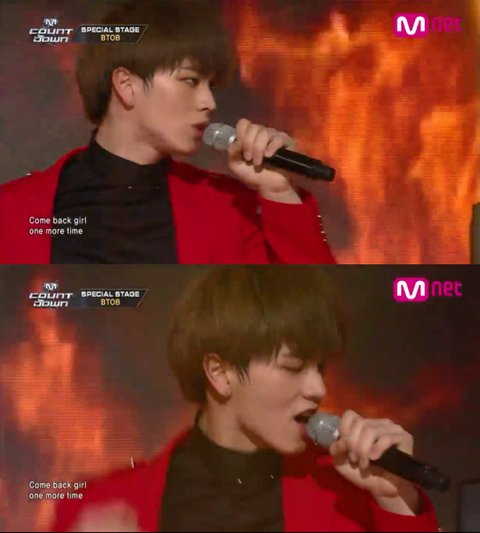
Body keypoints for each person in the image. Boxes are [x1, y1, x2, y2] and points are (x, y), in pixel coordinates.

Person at [51, 266, 438, 532]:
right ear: (220, 373)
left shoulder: (350, 495)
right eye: (293, 366)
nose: (318, 388)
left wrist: (395, 500)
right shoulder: (102, 505)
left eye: (320, 367)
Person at [0, 0, 335, 265]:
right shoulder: (12, 209)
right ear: (126, 85)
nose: (209, 102)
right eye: (190, 80)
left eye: (211, 85)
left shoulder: (229, 208)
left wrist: (278, 192)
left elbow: (307, 302)